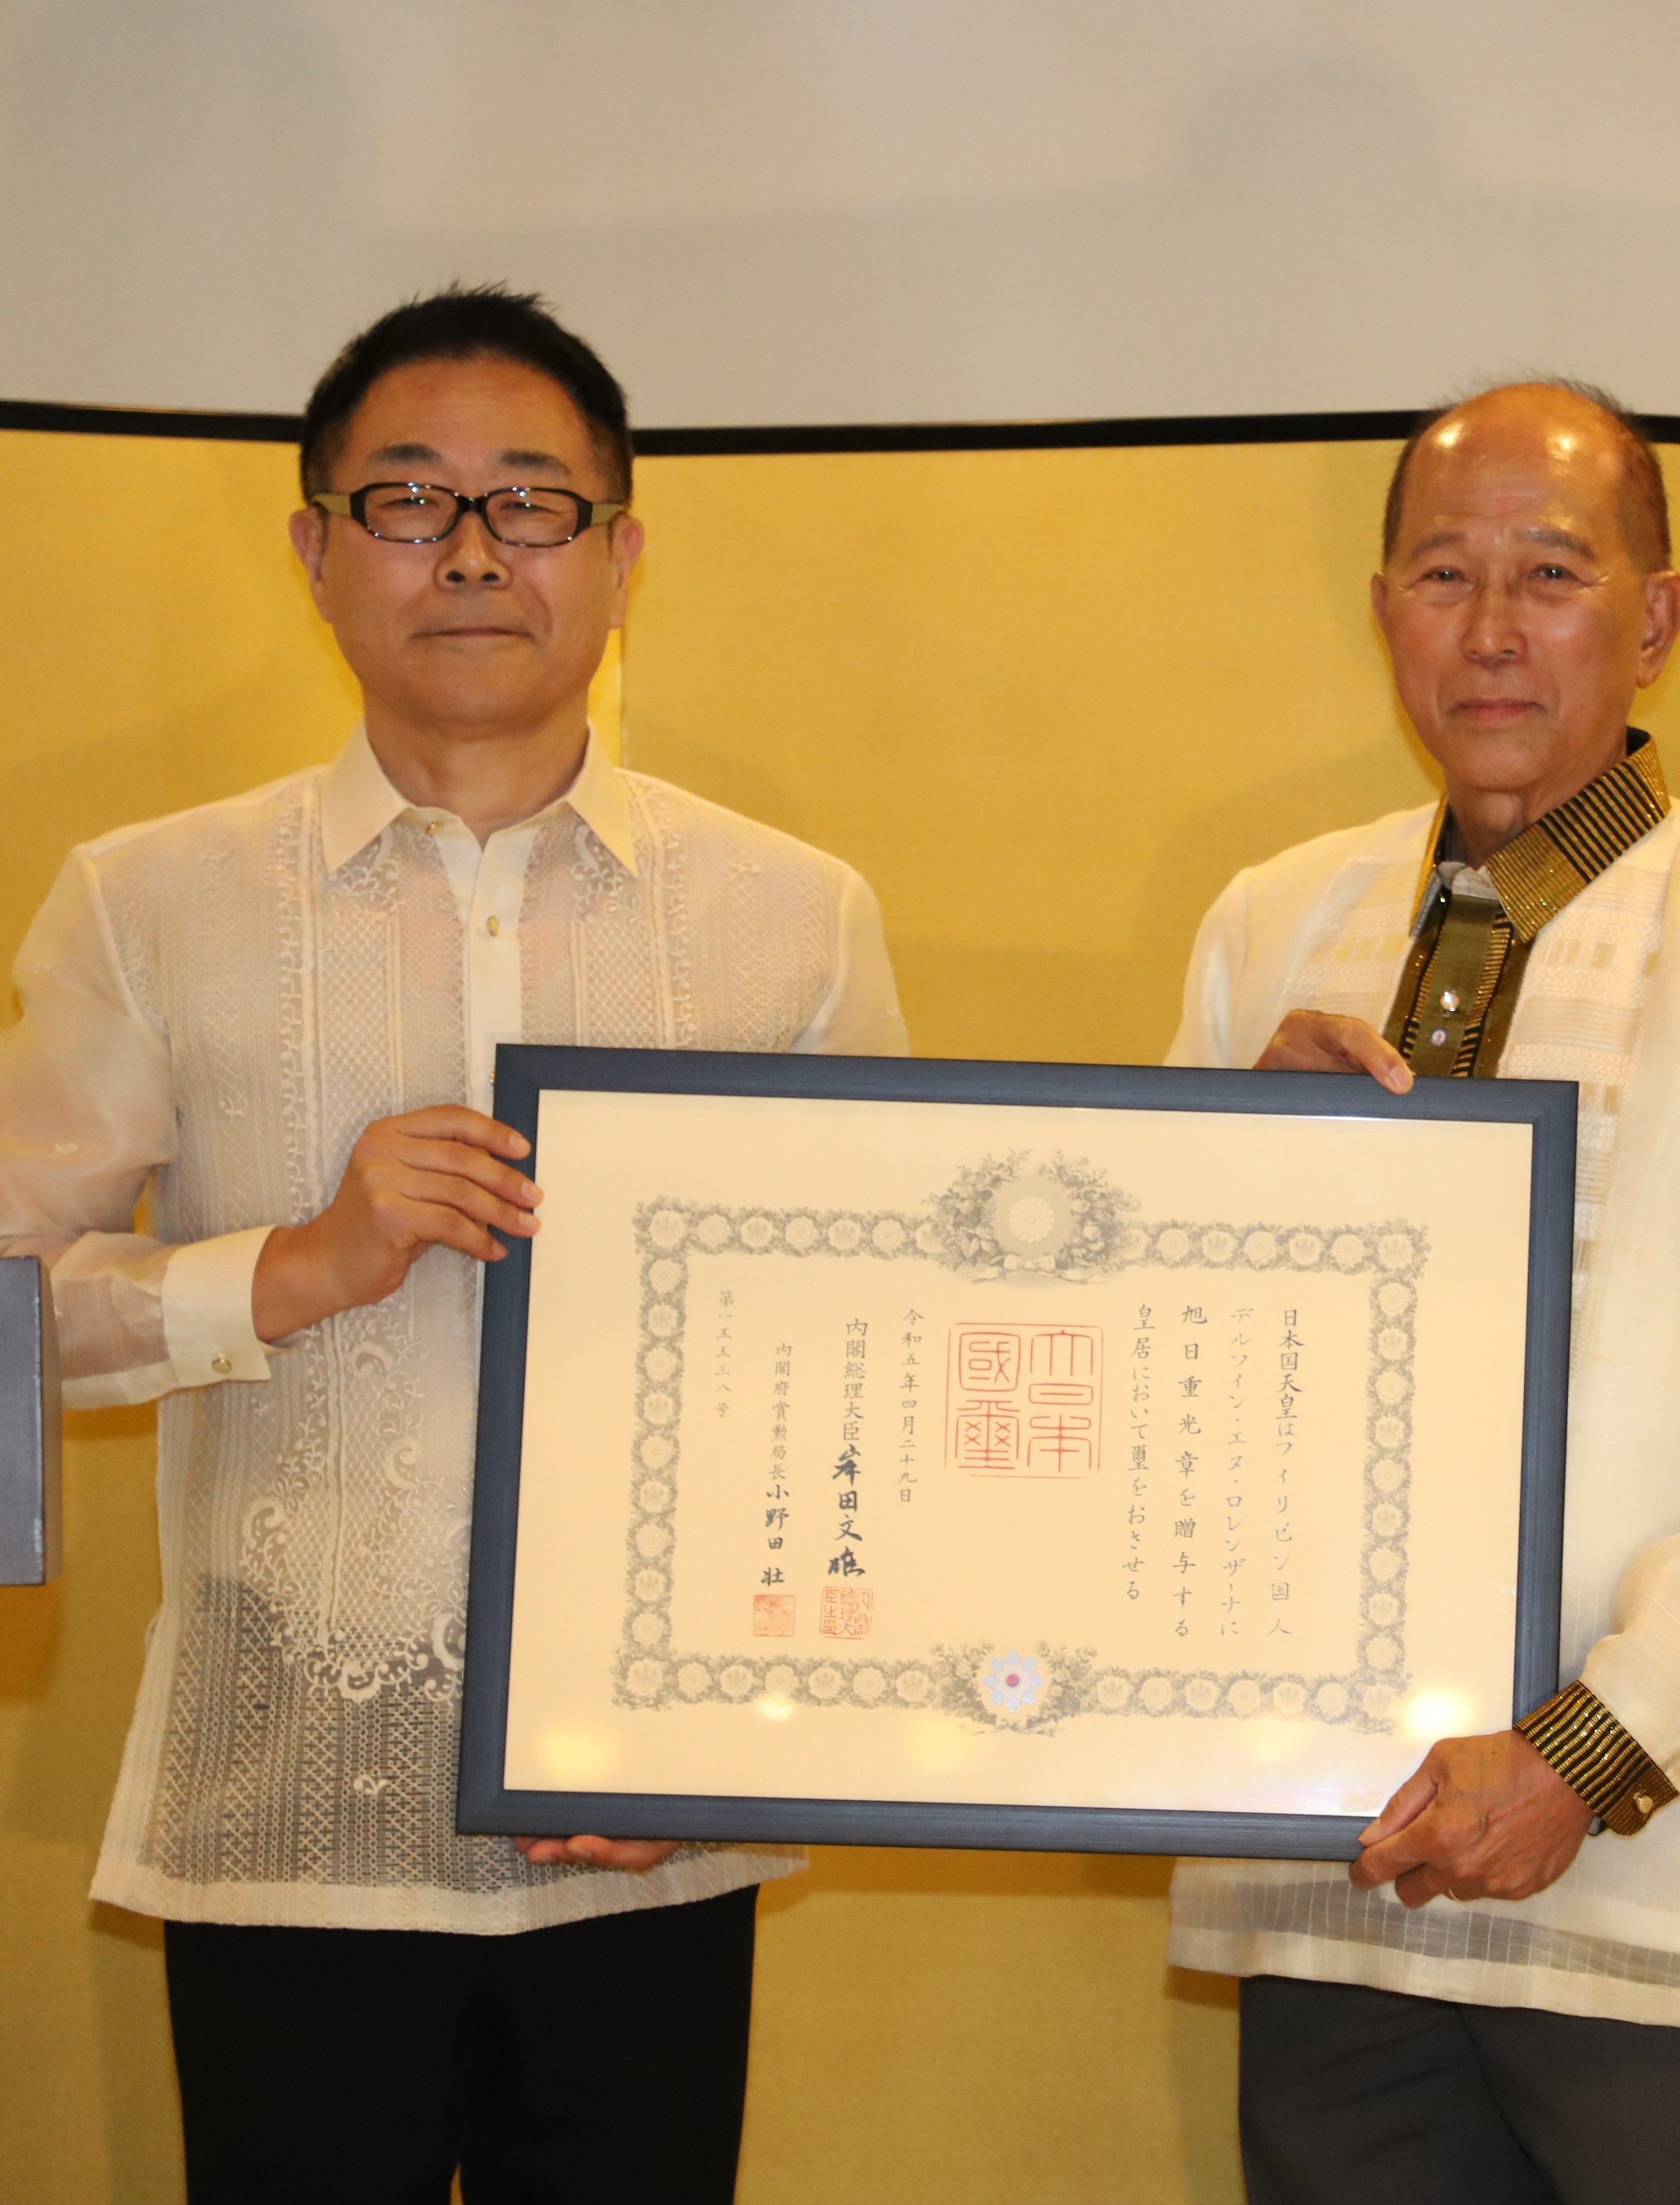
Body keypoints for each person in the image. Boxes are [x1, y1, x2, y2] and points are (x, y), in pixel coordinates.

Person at [0, 285, 905, 2204]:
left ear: (623, 553)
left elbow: (870, 1384)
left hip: (652, 1816)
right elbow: (5, 1307)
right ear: (318, 552)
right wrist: (295, 1264)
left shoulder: (792, 921)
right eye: (410, 502)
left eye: (535, 503)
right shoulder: (148, 904)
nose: (477, 551)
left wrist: (753, 1741)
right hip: (289, 1806)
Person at [1164, 381, 1680, 2204]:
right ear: (1381, 616)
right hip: (1329, 1849)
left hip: (1644, 1874)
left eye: (1552, 574)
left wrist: (1584, 1755)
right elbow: (1157, 1378)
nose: (1492, 630)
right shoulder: (1267, 926)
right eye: (1442, 575)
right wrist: (1212, 1172)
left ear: (1653, 618)